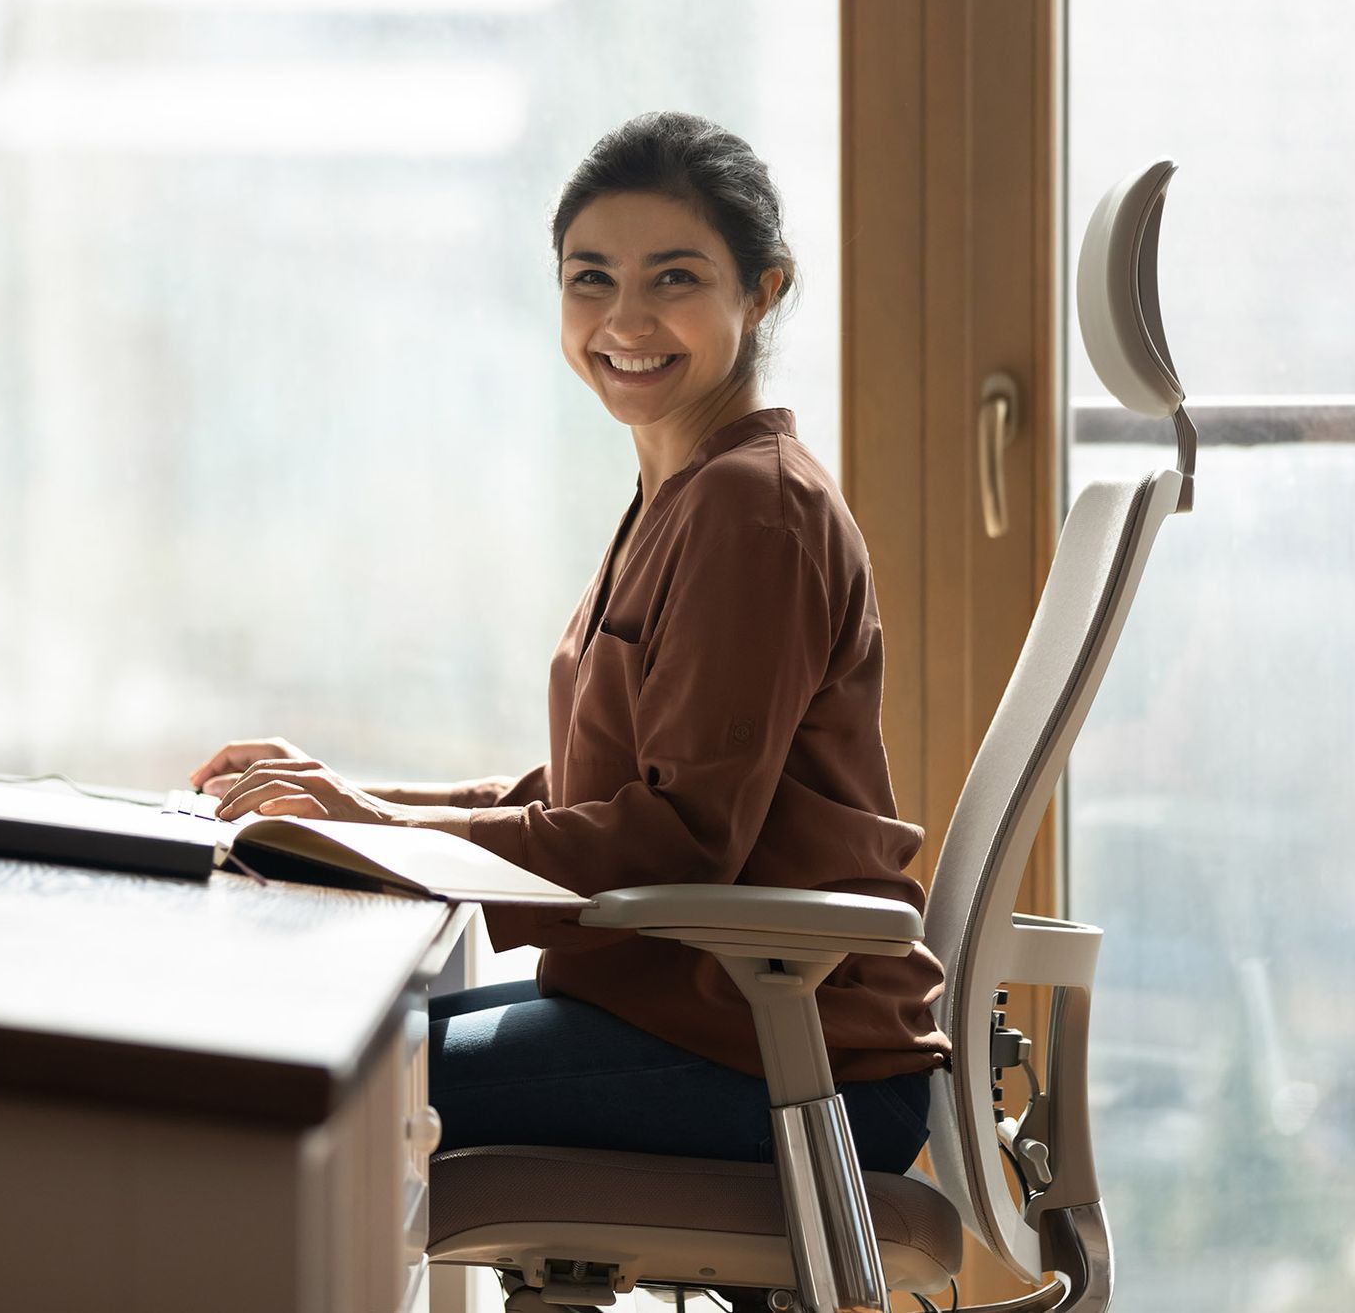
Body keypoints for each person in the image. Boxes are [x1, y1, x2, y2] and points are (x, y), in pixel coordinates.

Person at [190, 110, 948, 1179]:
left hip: (776, 1055)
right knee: (327, 1033)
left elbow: (678, 838)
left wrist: (380, 835)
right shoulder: (683, 489)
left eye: (674, 278)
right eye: (591, 278)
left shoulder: (751, 509)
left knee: (302, 1083)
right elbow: (591, 787)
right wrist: (363, 811)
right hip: (698, 1021)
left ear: (763, 291)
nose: (625, 317)